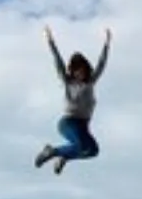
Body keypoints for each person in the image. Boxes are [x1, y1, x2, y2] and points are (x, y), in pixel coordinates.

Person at [36, 25, 110, 175]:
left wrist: (107, 44)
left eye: (82, 70)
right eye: (76, 71)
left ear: (86, 69)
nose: (80, 73)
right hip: (68, 123)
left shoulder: (90, 82)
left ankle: (64, 157)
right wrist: (50, 41)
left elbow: (101, 64)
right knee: (81, 145)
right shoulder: (67, 82)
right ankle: (52, 151)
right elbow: (58, 62)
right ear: (72, 71)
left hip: (83, 125)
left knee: (93, 151)